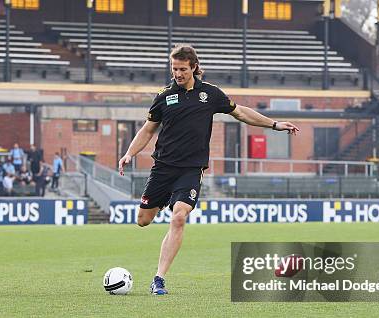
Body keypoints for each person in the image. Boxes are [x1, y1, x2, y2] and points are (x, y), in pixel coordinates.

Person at [118, 45, 299, 295]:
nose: (177, 74)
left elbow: (241, 113)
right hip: (163, 168)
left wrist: (274, 124)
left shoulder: (211, 94)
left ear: (193, 67)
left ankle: (159, 278)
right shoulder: (163, 96)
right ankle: (163, 201)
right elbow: (148, 129)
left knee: (179, 216)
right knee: (143, 221)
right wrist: (130, 153)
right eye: (174, 69)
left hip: (191, 168)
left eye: (182, 69)